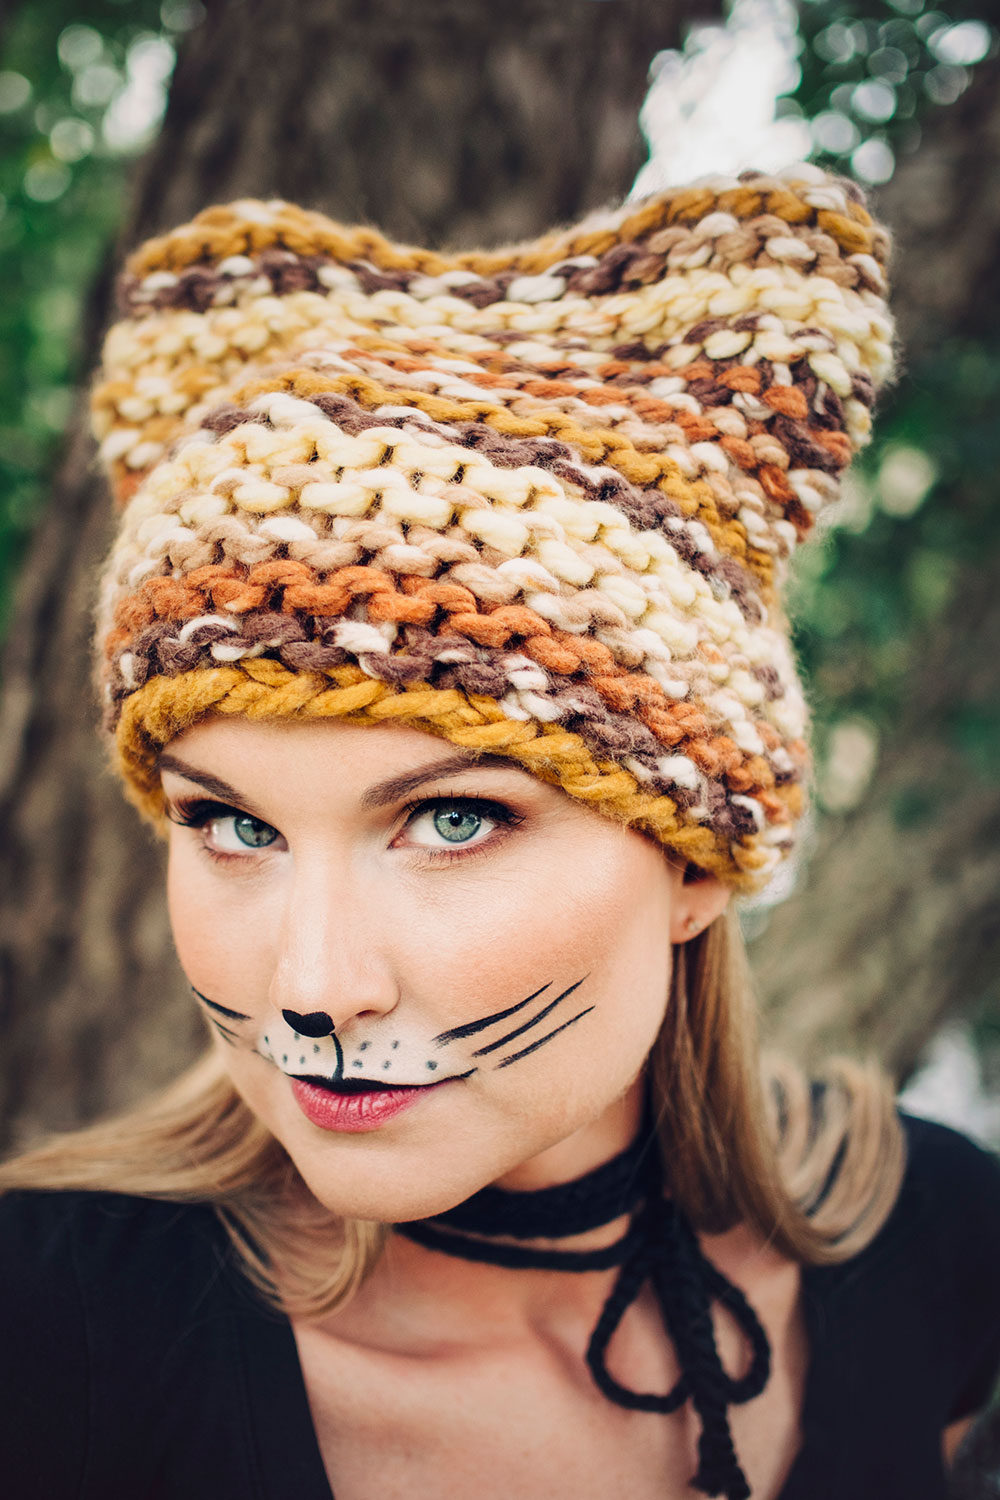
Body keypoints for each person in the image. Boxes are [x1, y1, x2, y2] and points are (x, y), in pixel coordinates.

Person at [1, 162, 998, 1500]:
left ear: (695, 859)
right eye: (229, 824)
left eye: (453, 817)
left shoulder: (937, 1248)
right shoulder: (48, 1333)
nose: (312, 987)